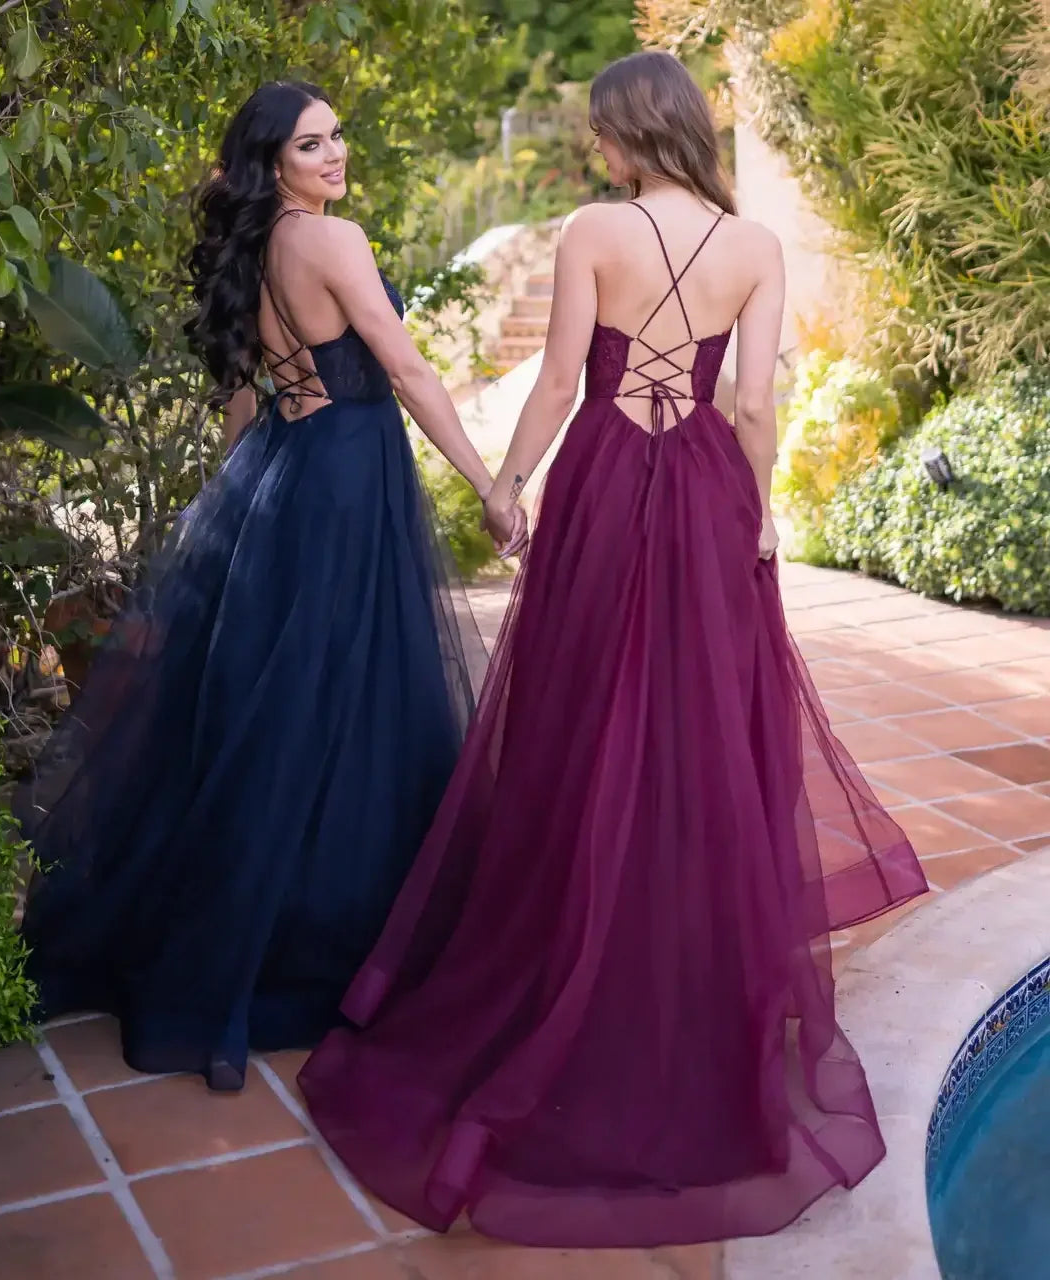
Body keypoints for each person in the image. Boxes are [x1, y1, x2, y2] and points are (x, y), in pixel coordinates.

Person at [298, 52, 928, 1247]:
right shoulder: (755, 250)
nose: (598, 150)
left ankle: (569, 936)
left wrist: (506, 484)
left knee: (580, 712)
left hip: (600, 484)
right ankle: (679, 961)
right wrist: (764, 514)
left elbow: (556, 381)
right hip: (701, 494)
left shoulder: (595, 228)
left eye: (604, 132)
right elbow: (750, 407)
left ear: (635, 132)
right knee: (699, 720)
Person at [19, 81, 508, 1092]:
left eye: (338, 137)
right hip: (341, 484)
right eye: (310, 144)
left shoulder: (255, 249)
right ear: (272, 162)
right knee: (341, 708)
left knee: (276, 714)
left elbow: (247, 397)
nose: (334, 156)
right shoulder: (333, 241)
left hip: (286, 477)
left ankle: (265, 920)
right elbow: (407, 372)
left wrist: (227, 511)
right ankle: (323, 940)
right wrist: (490, 486)